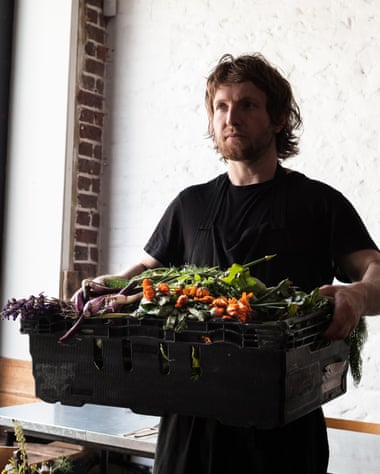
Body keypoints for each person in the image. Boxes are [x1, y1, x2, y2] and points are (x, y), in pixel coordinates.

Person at [88, 53, 380, 473]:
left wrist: (358, 294)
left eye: (247, 104)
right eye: (220, 106)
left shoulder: (319, 204)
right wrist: (108, 287)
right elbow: (144, 274)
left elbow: (375, 269)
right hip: (189, 431)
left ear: (278, 118)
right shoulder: (191, 205)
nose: (231, 117)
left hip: (284, 433)